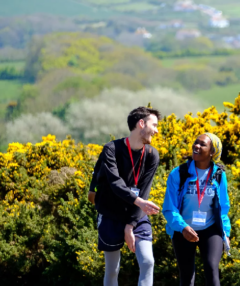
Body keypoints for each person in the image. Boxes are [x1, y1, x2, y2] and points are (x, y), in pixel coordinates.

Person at [88, 106, 162, 286]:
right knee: (112, 270)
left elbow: (144, 191)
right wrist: (139, 201)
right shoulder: (111, 149)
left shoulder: (152, 155)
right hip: (111, 213)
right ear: (141, 123)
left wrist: (131, 224)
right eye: (154, 125)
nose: (157, 130)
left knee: (147, 261)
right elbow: (115, 184)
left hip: (137, 213)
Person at [163, 133, 231, 286]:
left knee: (211, 269)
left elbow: (223, 207)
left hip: (210, 229)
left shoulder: (219, 175)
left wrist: (225, 232)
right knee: (187, 277)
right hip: (183, 230)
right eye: (196, 143)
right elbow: (169, 208)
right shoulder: (178, 173)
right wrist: (183, 227)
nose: (196, 146)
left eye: (202, 144)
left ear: (212, 152)